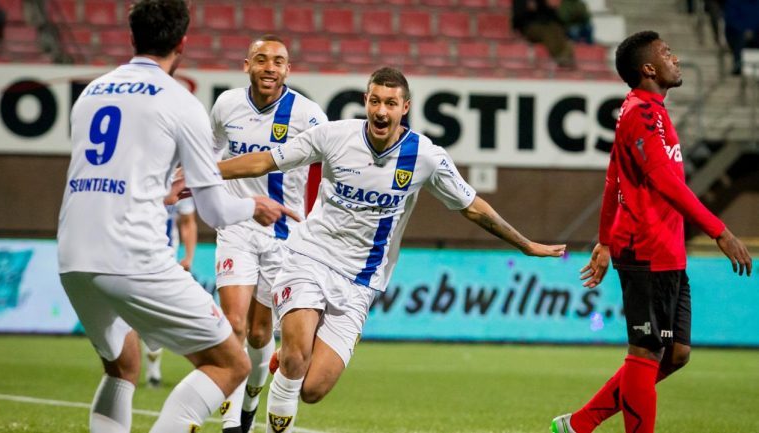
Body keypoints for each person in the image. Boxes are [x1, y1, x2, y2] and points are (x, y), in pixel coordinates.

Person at [214, 66, 567, 433]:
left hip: (360, 281)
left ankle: (286, 357)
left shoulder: (425, 156)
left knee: (313, 389)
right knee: (296, 360)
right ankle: (286, 365)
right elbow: (265, 160)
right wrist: (205, 173)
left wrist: (525, 244)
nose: (381, 111)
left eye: (391, 103)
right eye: (375, 101)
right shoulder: (334, 135)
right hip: (309, 257)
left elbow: (473, 207)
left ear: (405, 108)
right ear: (366, 101)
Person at [56, 1, 298, 432]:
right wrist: (255, 206)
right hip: (132, 256)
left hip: (72, 256)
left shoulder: (91, 92)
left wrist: (160, 189)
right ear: (182, 43)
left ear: (132, 38)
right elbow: (214, 209)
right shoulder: (180, 102)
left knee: (122, 366)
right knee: (231, 363)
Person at [550, 31, 753, 433]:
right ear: (648, 69)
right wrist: (719, 231)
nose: (675, 58)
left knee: (676, 354)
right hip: (645, 249)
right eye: (666, 53)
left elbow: (613, 178)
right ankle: (583, 425)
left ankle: (578, 424)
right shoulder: (640, 114)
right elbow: (663, 180)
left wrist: (603, 240)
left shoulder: (650, 111)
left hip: (667, 249)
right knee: (645, 353)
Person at [210, 34, 327, 433]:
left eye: (278, 61)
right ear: (247, 66)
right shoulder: (226, 105)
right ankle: (231, 423)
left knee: (261, 334)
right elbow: (210, 153)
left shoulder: (308, 115)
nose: (269, 67)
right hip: (236, 226)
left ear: (288, 70)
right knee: (234, 323)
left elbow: (332, 167)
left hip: (285, 236)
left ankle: (251, 399)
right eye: (261, 59)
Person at [143, 197, 198, 388]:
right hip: (133, 255)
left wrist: (189, 257)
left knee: (156, 312)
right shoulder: (134, 180)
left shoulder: (181, 184)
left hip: (165, 259)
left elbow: (188, 220)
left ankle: (153, 369)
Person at [512, 0, 575, 67]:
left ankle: (566, 58)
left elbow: (549, 14)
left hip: (546, 24)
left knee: (557, 29)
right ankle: (562, 60)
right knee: (547, 32)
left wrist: (551, 9)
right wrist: (527, 9)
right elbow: (517, 19)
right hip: (529, 27)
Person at [723, 0, 759, 75]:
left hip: (756, 32)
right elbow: (731, 19)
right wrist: (744, 30)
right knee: (739, 38)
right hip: (737, 33)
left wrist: (753, 31)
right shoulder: (733, 2)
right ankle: (738, 64)